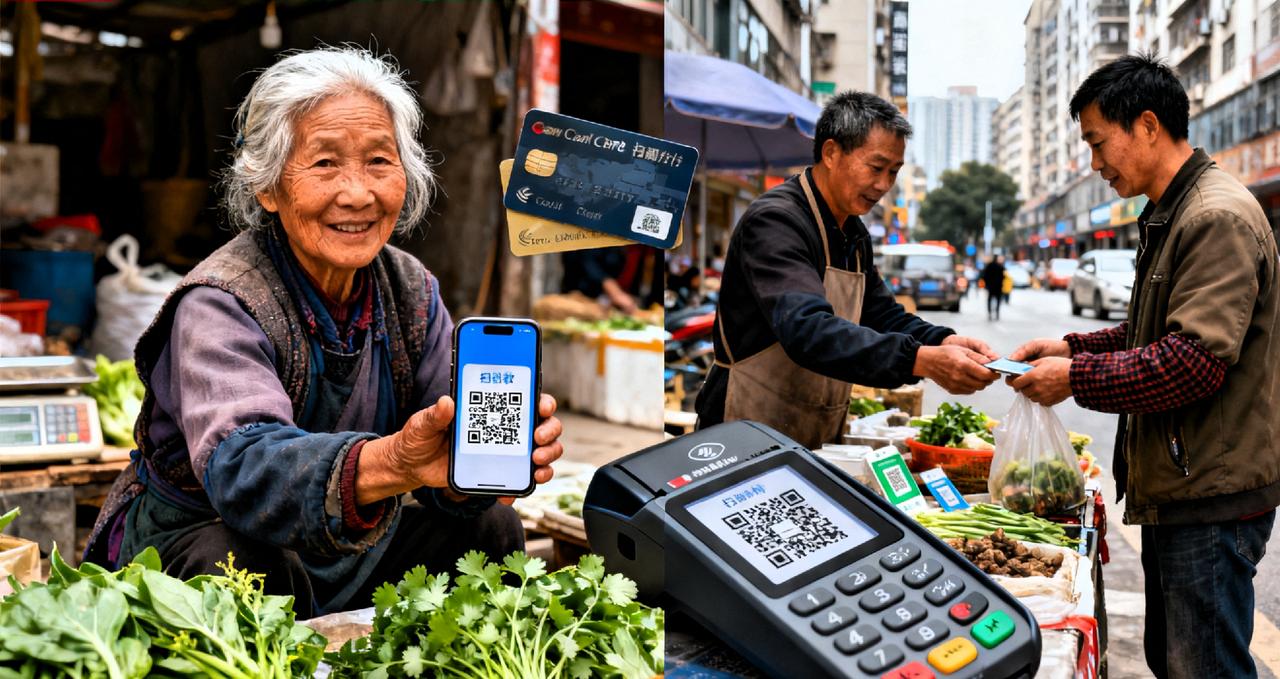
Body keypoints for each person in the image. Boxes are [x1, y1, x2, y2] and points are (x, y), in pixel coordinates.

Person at [85, 47, 565, 618]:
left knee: (491, 529)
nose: (357, 193)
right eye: (325, 164)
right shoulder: (220, 301)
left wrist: (468, 471)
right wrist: (395, 461)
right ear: (268, 187)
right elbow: (245, 471)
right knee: (247, 565)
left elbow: (445, 440)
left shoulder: (409, 289)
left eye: (379, 161)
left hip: (344, 547)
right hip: (198, 541)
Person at [1008, 54, 1279, 679]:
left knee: (1204, 667)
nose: (1095, 164)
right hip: (1184, 484)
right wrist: (1072, 349)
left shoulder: (1213, 217)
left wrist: (1073, 379)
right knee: (1177, 659)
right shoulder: (1174, 211)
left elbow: (1191, 362)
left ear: (1149, 125)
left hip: (1211, 493)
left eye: (1098, 143)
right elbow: (1151, 332)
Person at [694, 91, 998, 449]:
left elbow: (881, 314)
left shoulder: (853, 232)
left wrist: (942, 341)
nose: (884, 185)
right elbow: (808, 329)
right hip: (743, 429)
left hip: (812, 431)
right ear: (831, 153)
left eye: (894, 172)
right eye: (876, 167)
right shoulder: (776, 221)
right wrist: (919, 360)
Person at [980, 255, 1005, 320]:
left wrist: (987, 284)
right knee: (998, 300)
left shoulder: (989, 266)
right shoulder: (1000, 266)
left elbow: (984, 275)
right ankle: (997, 312)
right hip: (998, 287)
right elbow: (1003, 276)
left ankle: (990, 313)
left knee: (989, 299)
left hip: (991, 286)